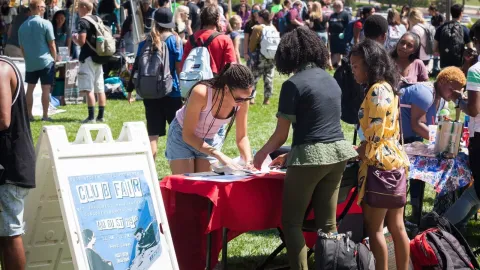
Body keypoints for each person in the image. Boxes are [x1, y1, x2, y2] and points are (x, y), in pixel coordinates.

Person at [252, 27, 357, 270]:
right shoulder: (331, 80)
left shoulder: (293, 84)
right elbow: (320, 126)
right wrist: (291, 155)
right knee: (328, 225)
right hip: (338, 156)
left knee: (291, 224)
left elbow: (281, 135)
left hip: (311, 159)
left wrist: (260, 155)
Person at [350, 39, 410, 270]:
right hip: (395, 159)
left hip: (380, 164)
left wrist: (353, 152)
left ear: (369, 65)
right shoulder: (388, 86)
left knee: (375, 228)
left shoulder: (376, 91)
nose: (353, 70)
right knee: (397, 226)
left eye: (355, 66)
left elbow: (374, 136)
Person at [165, 63, 254, 174]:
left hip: (209, 138)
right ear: (226, 88)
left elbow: (242, 137)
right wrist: (220, 155)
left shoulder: (243, 100)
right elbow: (188, 135)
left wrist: (248, 160)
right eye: (239, 99)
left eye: (248, 97)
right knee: (185, 184)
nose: (242, 103)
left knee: (203, 187)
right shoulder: (201, 93)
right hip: (182, 136)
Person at [127, 7, 183, 159]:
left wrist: (130, 89)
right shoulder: (175, 40)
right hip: (172, 92)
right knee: (177, 135)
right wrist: (185, 91)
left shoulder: (145, 41)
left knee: (152, 135)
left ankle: (151, 169)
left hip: (150, 92)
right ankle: (178, 171)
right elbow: (178, 69)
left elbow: (136, 67)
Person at [0, 56, 36, 270]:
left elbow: (3, 119)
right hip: (9, 162)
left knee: (9, 233)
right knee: (4, 234)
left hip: (9, 165)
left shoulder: (2, 69)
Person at [444, 20, 480, 229]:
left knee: (475, 192)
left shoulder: (476, 70)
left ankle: (440, 228)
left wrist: (458, 100)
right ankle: (455, 228)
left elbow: (474, 110)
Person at [18, 0, 56, 122]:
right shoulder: (46, 23)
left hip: (30, 62)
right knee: (46, 89)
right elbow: (52, 45)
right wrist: (54, 59)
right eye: (44, 7)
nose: (45, 9)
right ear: (39, 7)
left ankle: (29, 115)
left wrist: (27, 59)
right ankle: (45, 115)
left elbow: (22, 48)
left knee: (30, 89)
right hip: (45, 61)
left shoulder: (22, 26)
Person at [72, 0, 109, 123]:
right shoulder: (97, 19)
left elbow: (82, 41)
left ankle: (91, 117)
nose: (77, 10)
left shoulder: (83, 21)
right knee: (100, 88)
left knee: (89, 89)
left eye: (78, 8)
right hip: (99, 56)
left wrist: (75, 39)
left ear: (83, 7)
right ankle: (101, 116)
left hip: (87, 57)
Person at [181, 5, 236, 74]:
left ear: (201, 19)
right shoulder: (225, 40)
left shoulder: (192, 39)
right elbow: (231, 66)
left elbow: (183, 64)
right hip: (216, 82)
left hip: (194, 82)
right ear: (218, 19)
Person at [248, 9, 277, 105]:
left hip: (259, 56)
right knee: (269, 77)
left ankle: (251, 98)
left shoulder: (258, 28)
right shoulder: (273, 28)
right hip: (271, 56)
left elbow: (252, 44)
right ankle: (266, 99)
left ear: (261, 18)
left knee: (254, 77)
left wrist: (251, 51)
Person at [434, 4, 472, 69]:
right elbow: (470, 49)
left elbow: (434, 48)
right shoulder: (465, 30)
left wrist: (445, 52)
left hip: (444, 65)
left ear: (451, 13)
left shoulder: (441, 28)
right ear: (461, 14)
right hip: (458, 65)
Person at [328, 0, 349, 68]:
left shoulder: (345, 14)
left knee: (343, 51)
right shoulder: (332, 15)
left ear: (340, 6)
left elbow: (348, 26)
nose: (335, 8)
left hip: (342, 36)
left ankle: (345, 64)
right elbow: (329, 24)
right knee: (336, 51)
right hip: (334, 35)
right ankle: (339, 65)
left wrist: (345, 34)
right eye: (334, 7)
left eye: (336, 6)